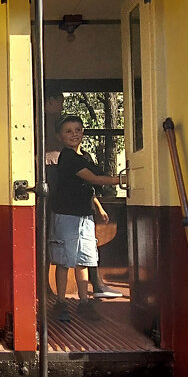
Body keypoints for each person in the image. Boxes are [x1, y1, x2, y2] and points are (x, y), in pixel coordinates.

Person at [49, 115, 122, 323]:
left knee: (83, 259)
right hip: (66, 214)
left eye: (78, 130)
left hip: (85, 215)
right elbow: (94, 179)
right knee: (64, 260)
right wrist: (124, 179)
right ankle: (61, 302)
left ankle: (84, 302)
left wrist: (97, 207)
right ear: (59, 136)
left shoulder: (86, 157)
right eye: (68, 131)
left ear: (83, 132)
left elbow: (89, 188)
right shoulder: (67, 157)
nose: (74, 134)